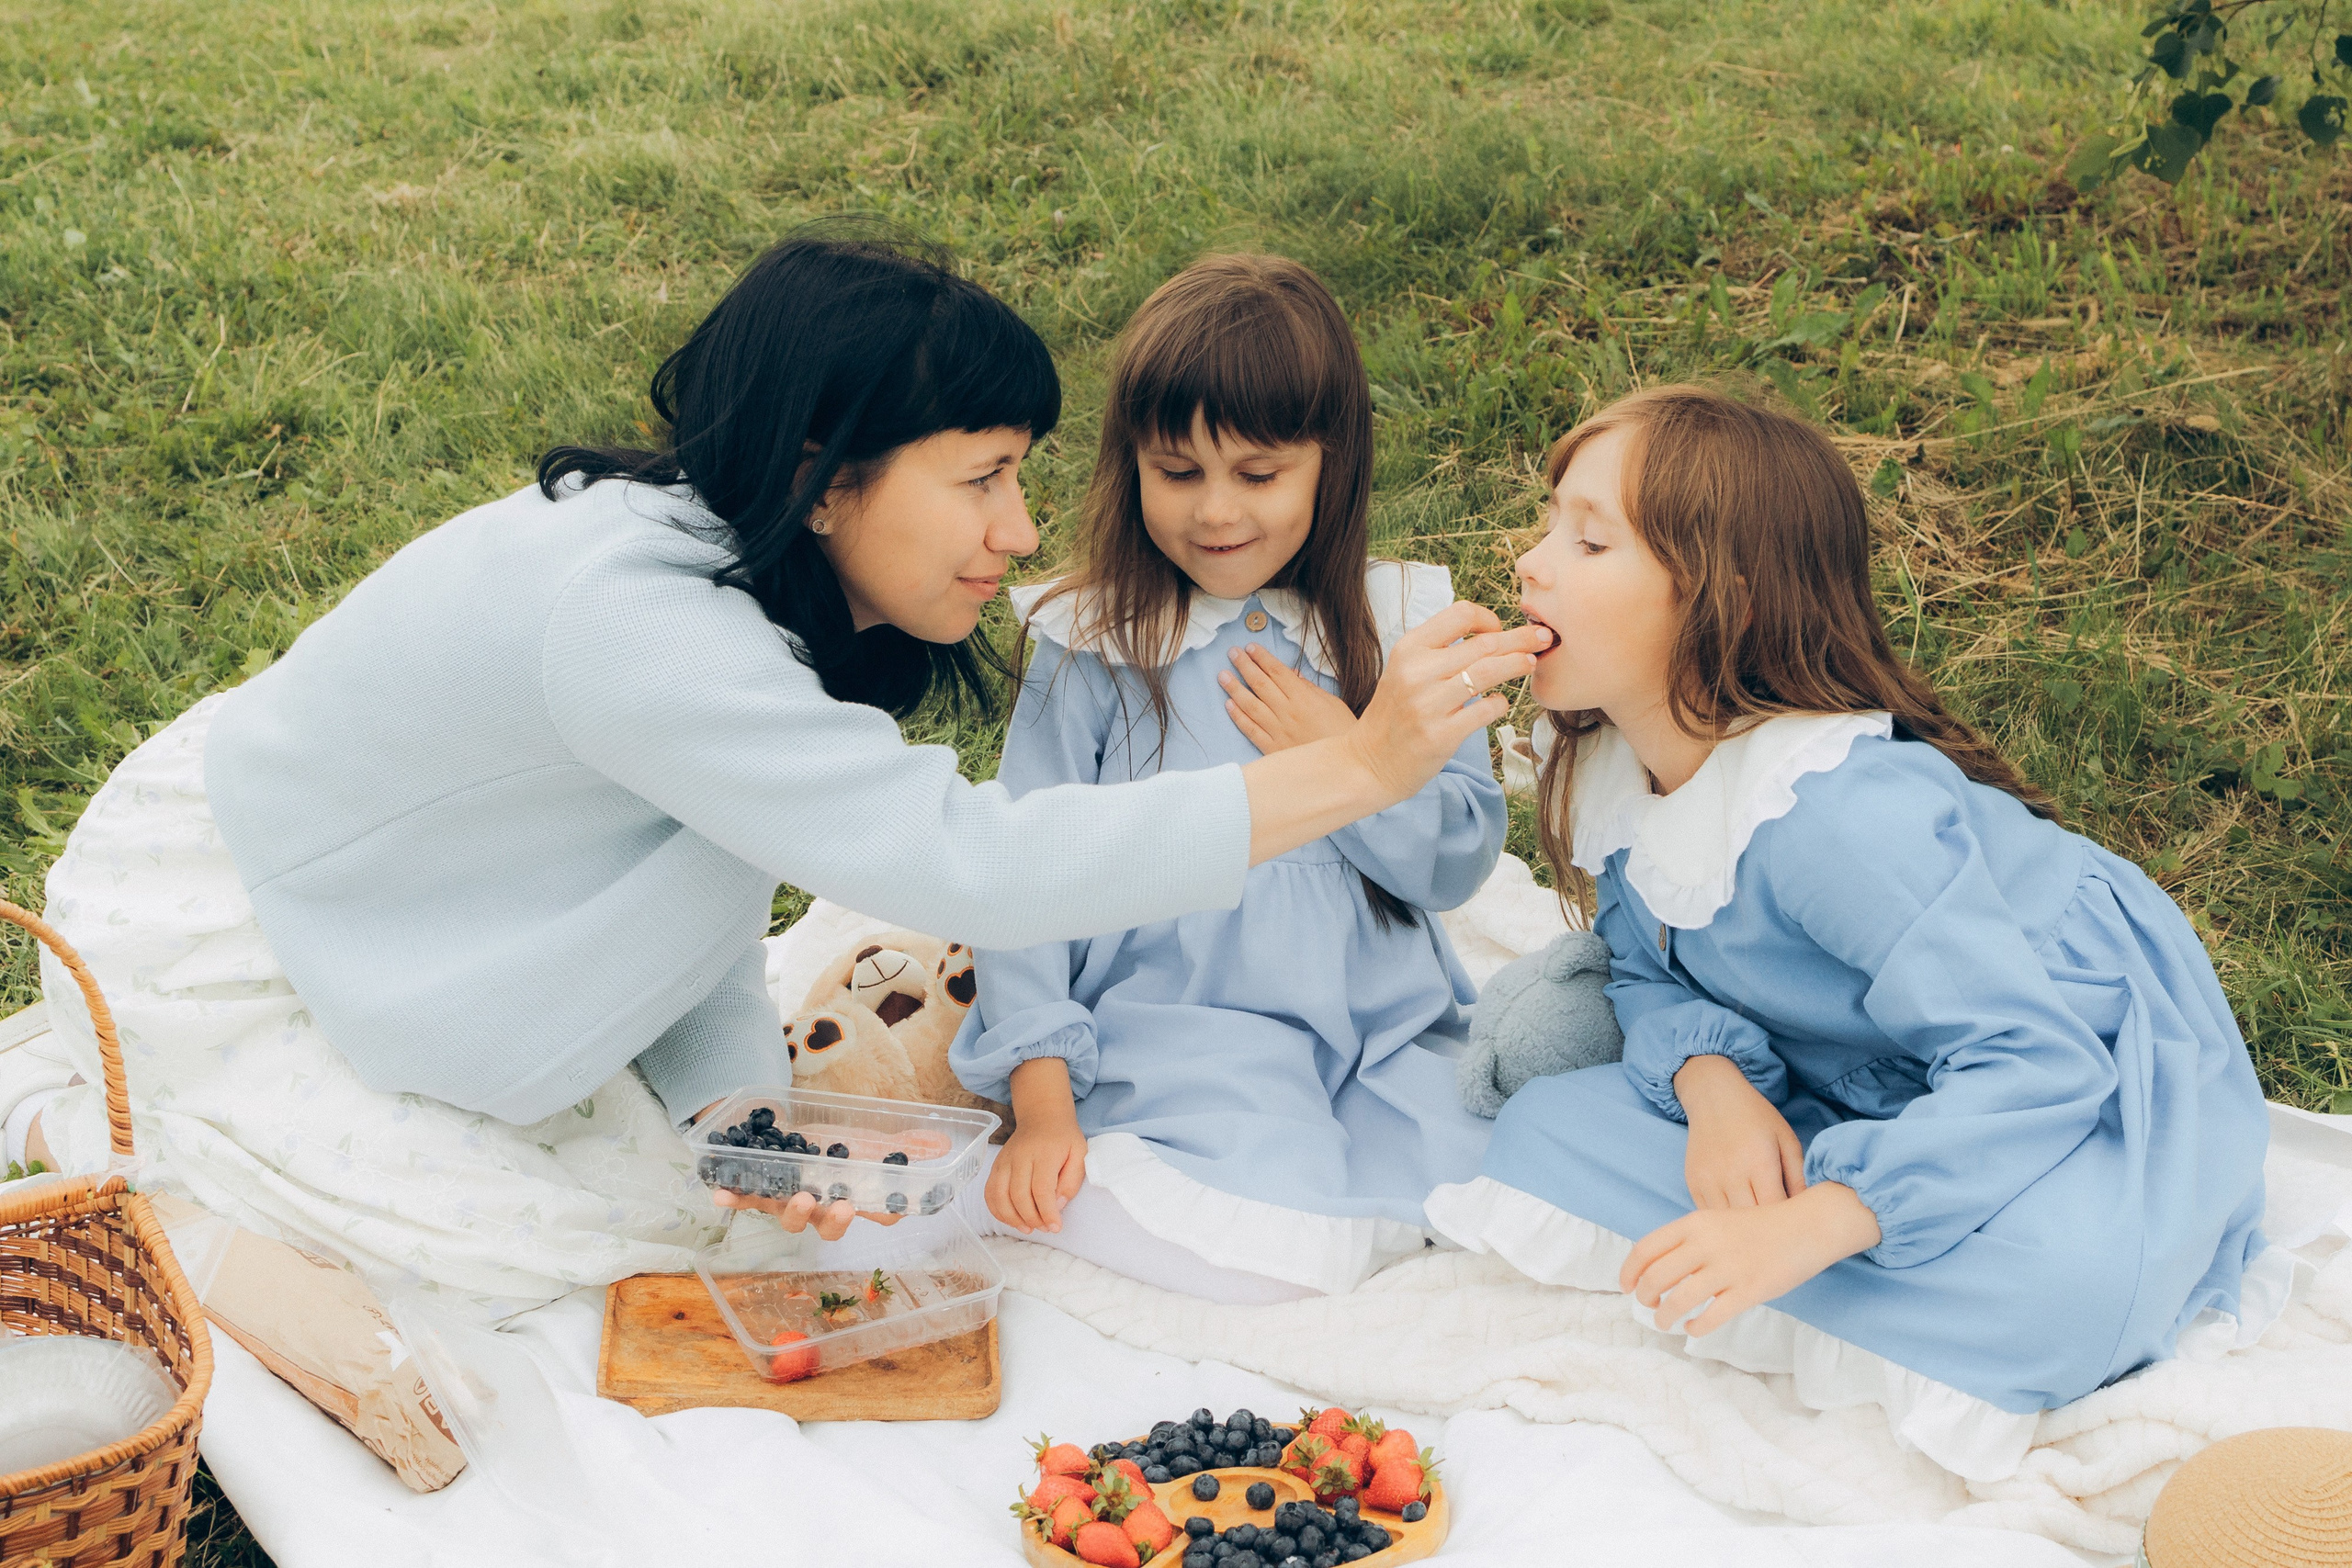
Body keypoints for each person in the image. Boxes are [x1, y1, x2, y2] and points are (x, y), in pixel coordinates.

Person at [14, 229, 1546, 1320]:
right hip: (276, 904)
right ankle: (156, 1211)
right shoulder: (640, 626)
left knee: (721, 1191)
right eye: (981, 477)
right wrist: (1357, 770)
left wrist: (741, 1110)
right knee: (545, 1239)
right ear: (829, 471)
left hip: (433, 865)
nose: (1020, 532)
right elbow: (974, 862)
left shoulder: (726, 576)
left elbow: (699, 879)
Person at [1424, 385, 2278, 1467]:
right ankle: (1818, 1244)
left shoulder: (1837, 819)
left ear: (1720, 603)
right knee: (1544, 1128)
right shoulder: (1620, 762)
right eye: (1550, 524)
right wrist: (1716, 1092)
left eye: (1588, 540)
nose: (1532, 563)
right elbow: (1641, 966)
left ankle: (1827, 1247)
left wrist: (1813, 1221)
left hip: (2060, 1065)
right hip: (1852, 1056)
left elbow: (2035, 1060)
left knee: (2066, 1295)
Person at [947, 255, 1505, 1301]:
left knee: (1476, 1189)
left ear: (1328, 467)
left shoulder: (1399, 626)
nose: (1214, 513)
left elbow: (1459, 859)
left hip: (1383, 1018)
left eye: (1256, 475)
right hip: (1190, 1023)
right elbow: (1020, 882)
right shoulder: (1095, 642)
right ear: (1131, 466)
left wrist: (1345, 753)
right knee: (1260, 1219)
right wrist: (1043, 1099)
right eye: (1177, 472)